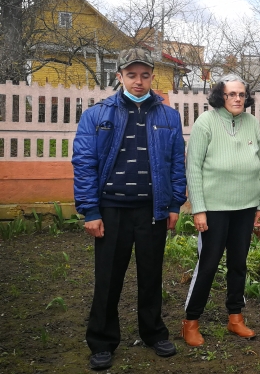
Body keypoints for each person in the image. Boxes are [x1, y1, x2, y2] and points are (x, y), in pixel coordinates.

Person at [73, 47, 186, 370]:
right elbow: (84, 164)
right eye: (132, 75)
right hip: (111, 210)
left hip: (152, 209)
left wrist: (175, 202)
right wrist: (91, 211)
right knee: (108, 278)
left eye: (145, 75)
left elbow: (176, 161)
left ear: (152, 76)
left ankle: (153, 333)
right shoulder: (97, 114)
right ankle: (102, 341)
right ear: (119, 76)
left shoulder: (168, 116)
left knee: (151, 276)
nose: (139, 81)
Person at [181, 74, 260, 346]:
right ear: (221, 95)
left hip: (246, 206)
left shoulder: (252, 123)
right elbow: (193, 167)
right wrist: (199, 209)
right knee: (208, 265)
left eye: (241, 94)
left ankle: (235, 318)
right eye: (231, 94)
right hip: (215, 208)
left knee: (238, 265)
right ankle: (191, 321)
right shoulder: (205, 122)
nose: (237, 99)